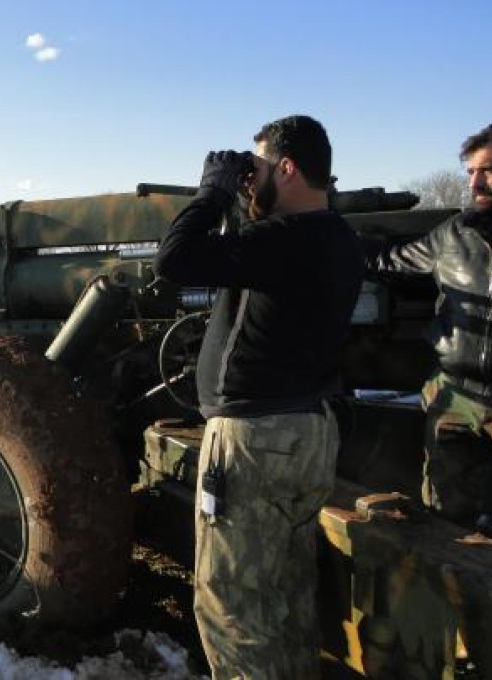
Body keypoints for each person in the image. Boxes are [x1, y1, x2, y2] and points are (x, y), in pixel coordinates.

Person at [153, 115, 365, 679]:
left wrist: (212, 192)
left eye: (259, 169)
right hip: (310, 435)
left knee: (233, 612)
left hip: (253, 444)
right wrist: (244, 198)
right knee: (286, 599)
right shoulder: (339, 239)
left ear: (289, 168)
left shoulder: (278, 242)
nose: (250, 182)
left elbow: (173, 261)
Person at [366, 121, 492, 545]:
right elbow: (391, 261)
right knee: (442, 525)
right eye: (470, 172)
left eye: (489, 171)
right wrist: (330, 240)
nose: (476, 183)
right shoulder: (458, 233)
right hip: (454, 400)